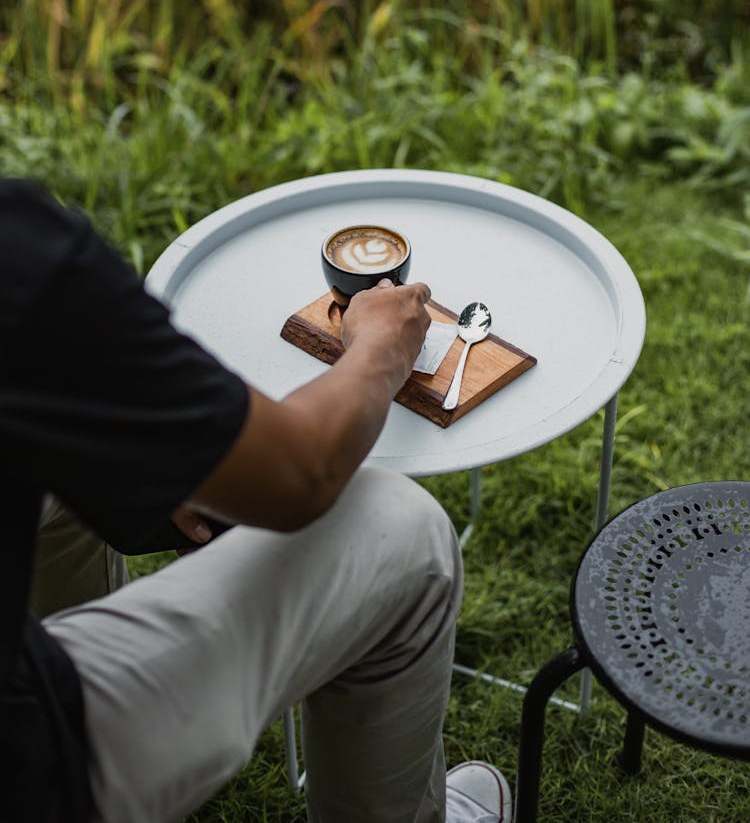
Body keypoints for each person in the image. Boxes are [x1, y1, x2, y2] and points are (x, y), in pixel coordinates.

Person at [0, 178, 513, 823]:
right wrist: (383, 348)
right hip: (27, 765)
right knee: (401, 528)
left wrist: (148, 448)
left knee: (48, 464)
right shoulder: (21, 257)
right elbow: (301, 474)